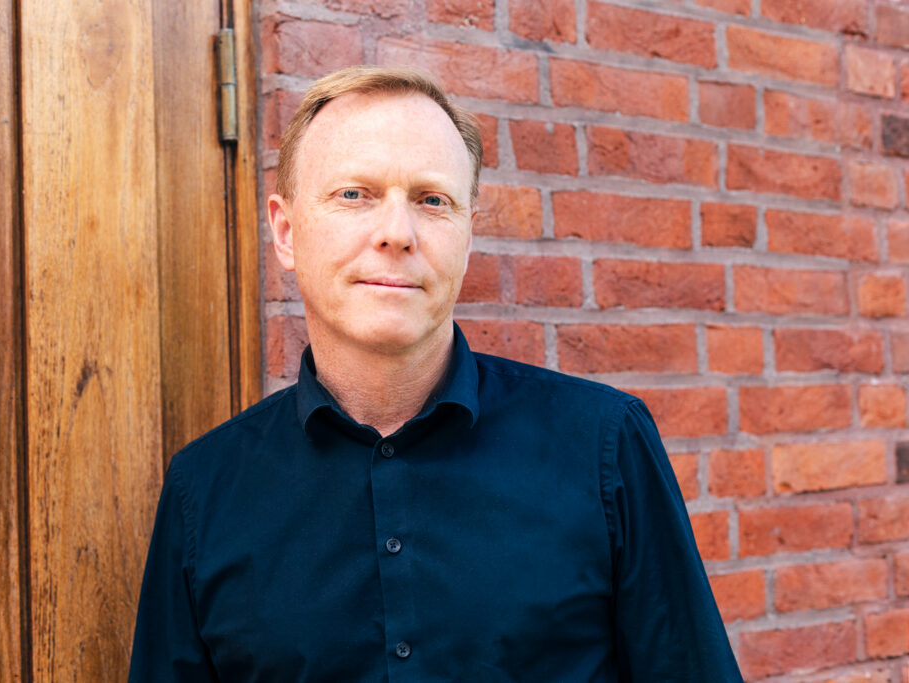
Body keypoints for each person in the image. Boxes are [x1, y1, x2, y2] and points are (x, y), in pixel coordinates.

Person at [128, 65, 743, 681]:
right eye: (354, 195)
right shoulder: (202, 490)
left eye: (432, 200)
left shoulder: (603, 444)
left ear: (467, 236)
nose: (397, 234)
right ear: (286, 233)